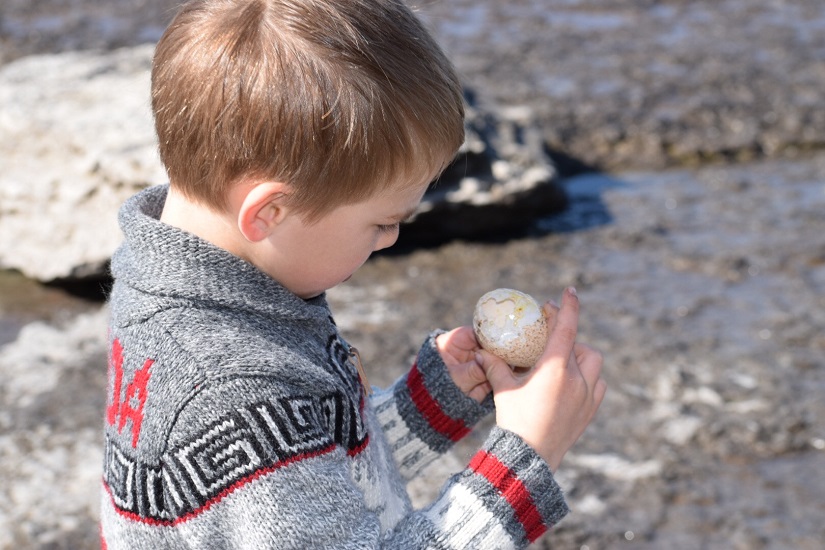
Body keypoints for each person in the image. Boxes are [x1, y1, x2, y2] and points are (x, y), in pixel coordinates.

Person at [99, 0, 607, 547]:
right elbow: (282, 471)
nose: (391, 239)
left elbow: (310, 482)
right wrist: (526, 460)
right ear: (269, 213)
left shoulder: (179, 293)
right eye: (383, 222)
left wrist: (426, 406)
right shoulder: (234, 393)